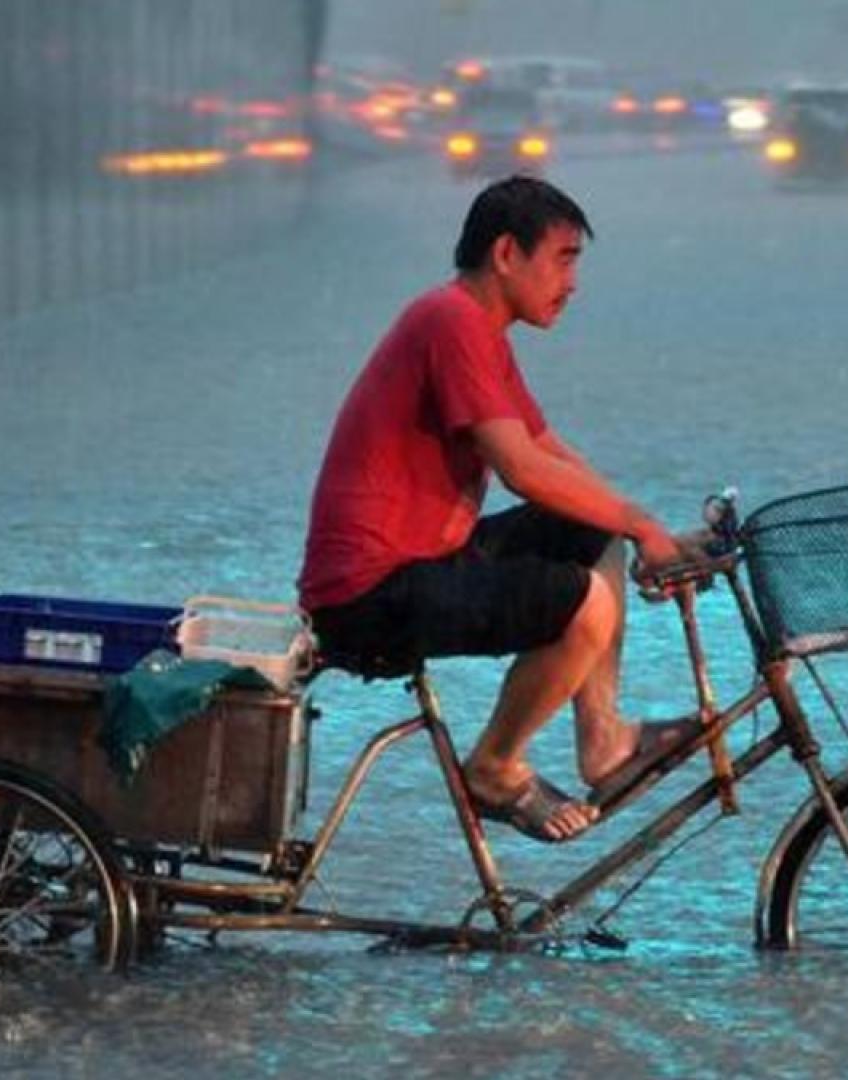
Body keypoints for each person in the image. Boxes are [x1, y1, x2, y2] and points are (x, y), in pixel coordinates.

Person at [297, 176, 696, 843]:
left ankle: (605, 742)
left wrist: (647, 527)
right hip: (369, 593)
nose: (571, 284)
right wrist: (643, 526)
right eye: (563, 260)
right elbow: (521, 469)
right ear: (507, 253)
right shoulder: (449, 321)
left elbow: (545, 446)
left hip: (427, 561)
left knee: (596, 530)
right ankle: (495, 767)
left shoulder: (479, 330)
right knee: (587, 603)